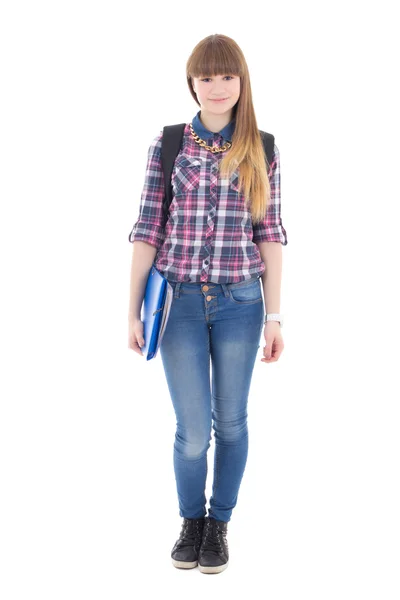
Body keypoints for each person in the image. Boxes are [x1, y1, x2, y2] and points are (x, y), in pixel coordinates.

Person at [127, 33, 288, 574]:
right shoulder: (169, 144)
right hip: (178, 305)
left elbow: (270, 233)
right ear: (192, 83)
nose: (217, 87)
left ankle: (219, 524)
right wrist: (132, 309)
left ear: (241, 82)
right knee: (193, 430)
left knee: (232, 422)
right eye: (206, 76)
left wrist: (274, 315)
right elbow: (148, 228)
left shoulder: (262, 147)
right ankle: (190, 521)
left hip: (242, 301)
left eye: (227, 76)